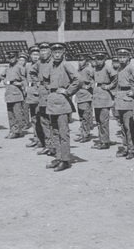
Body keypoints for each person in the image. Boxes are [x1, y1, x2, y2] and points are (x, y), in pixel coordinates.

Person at [45, 42, 80, 171]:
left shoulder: (66, 65)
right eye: (54, 52)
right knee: (55, 132)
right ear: (51, 53)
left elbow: (78, 80)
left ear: (64, 52)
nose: (57, 54)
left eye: (59, 52)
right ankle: (59, 157)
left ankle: (65, 160)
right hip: (52, 102)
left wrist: (68, 91)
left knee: (63, 132)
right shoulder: (52, 66)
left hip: (62, 103)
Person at [113, 47, 134, 159]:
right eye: (120, 57)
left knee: (129, 126)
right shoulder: (119, 68)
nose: (122, 59)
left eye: (124, 57)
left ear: (129, 57)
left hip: (128, 100)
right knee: (123, 126)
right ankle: (126, 147)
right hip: (120, 98)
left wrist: (133, 91)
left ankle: (132, 149)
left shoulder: (131, 68)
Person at [91, 51, 117, 150]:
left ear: (105, 59)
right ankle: (102, 139)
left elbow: (116, 78)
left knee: (104, 121)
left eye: (101, 59)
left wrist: (109, 86)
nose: (99, 61)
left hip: (105, 97)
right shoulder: (95, 69)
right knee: (98, 121)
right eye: (97, 59)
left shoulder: (108, 68)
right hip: (97, 97)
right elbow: (92, 79)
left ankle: (105, 142)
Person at [33, 42, 55, 155]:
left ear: (50, 51)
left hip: (52, 96)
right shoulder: (39, 63)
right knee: (44, 121)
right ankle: (48, 145)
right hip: (42, 96)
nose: (43, 52)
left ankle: (55, 147)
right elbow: (32, 72)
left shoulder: (54, 62)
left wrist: (51, 86)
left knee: (53, 122)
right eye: (41, 50)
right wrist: (37, 82)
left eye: (45, 50)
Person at [2, 51, 27, 139]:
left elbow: (25, 81)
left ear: (16, 57)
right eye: (9, 57)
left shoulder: (20, 67)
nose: (11, 59)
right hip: (9, 94)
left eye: (13, 57)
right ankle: (12, 130)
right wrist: (5, 81)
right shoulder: (8, 68)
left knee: (17, 114)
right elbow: (3, 77)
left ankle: (18, 131)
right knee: (10, 114)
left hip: (17, 94)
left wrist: (19, 84)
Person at [75, 54, 95, 143]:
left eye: (82, 60)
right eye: (79, 60)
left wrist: (89, 86)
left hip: (86, 96)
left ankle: (86, 134)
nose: (80, 62)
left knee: (85, 116)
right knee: (81, 117)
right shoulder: (79, 70)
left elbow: (94, 80)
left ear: (86, 61)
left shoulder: (89, 70)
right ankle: (83, 133)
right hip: (79, 95)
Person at [23, 45, 40, 142]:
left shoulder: (41, 65)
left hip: (38, 94)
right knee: (33, 117)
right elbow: (24, 78)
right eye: (33, 54)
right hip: (30, 94)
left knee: (40, 117)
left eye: (37, 54)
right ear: (30, 55)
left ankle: (42, 139)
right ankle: (36, 136)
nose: (35, 56)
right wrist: (25, 87)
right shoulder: (27, 66)